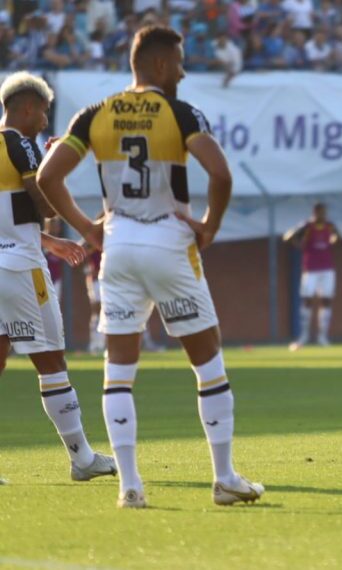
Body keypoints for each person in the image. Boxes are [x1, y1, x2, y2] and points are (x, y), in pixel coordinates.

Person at [37, 25, 264, 508]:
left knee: (117, 371)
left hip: (116, 248)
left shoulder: (94, 115)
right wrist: (210, 225)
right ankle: (223, 478)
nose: (182, 72)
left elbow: (47, 176)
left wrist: (88, 228)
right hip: (168, 243)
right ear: (160, 64)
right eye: (179, 62)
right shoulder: (180, 113)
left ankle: (130, 486)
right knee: (208, 365)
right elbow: (220, 173)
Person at [0, 71, 117, 483]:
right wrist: (48, 166)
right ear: (27, 107)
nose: (46, 120)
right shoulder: (18, 142)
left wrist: (48, 243)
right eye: (45, 111)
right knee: (51, 361)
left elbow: (10, 216)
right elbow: (41, 203)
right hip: (19, 271)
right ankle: (82, 458)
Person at [284, 203, 340, 350]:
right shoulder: (307, 226)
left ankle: (322, 336)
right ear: (315, 212)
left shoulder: (329, 225)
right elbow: (287, 237)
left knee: (326, 300)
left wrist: (332, 241)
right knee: (307, 300)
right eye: (320, 212)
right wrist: (300, 245)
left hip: (327, 269)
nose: (323, 214)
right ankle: (304, 335)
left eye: (324, 212)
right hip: (310, 269)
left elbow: (338, 237)